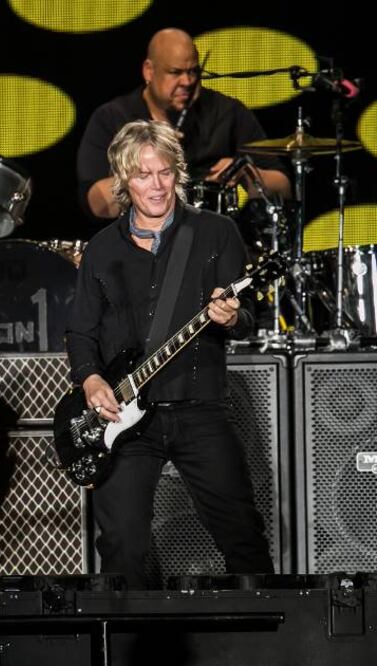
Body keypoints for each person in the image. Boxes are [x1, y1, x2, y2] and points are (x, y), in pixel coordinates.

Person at [65, 119, 274, 589]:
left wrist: (231, 318)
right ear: (124, 179)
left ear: (178, 174)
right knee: (122, 544)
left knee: (242, 535)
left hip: (199, 406)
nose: (156, 185)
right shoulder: (101, 249)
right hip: (125, 419)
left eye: (164, 173)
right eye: (143, 175)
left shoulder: (215, 233)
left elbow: (249, 316)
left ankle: (265, 629)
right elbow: (80, 331)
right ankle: (139, 629)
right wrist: (91, 379)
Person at [77, 27, 291, 221]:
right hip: (138, 244)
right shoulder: (113, 117)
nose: (187, 82)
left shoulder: (227, 112)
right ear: (149, 71)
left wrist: (246, 172)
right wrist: (143, 165)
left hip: (213, 241)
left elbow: (283, 186)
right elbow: (95, 204)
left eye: (193, 72)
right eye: (175, 72)